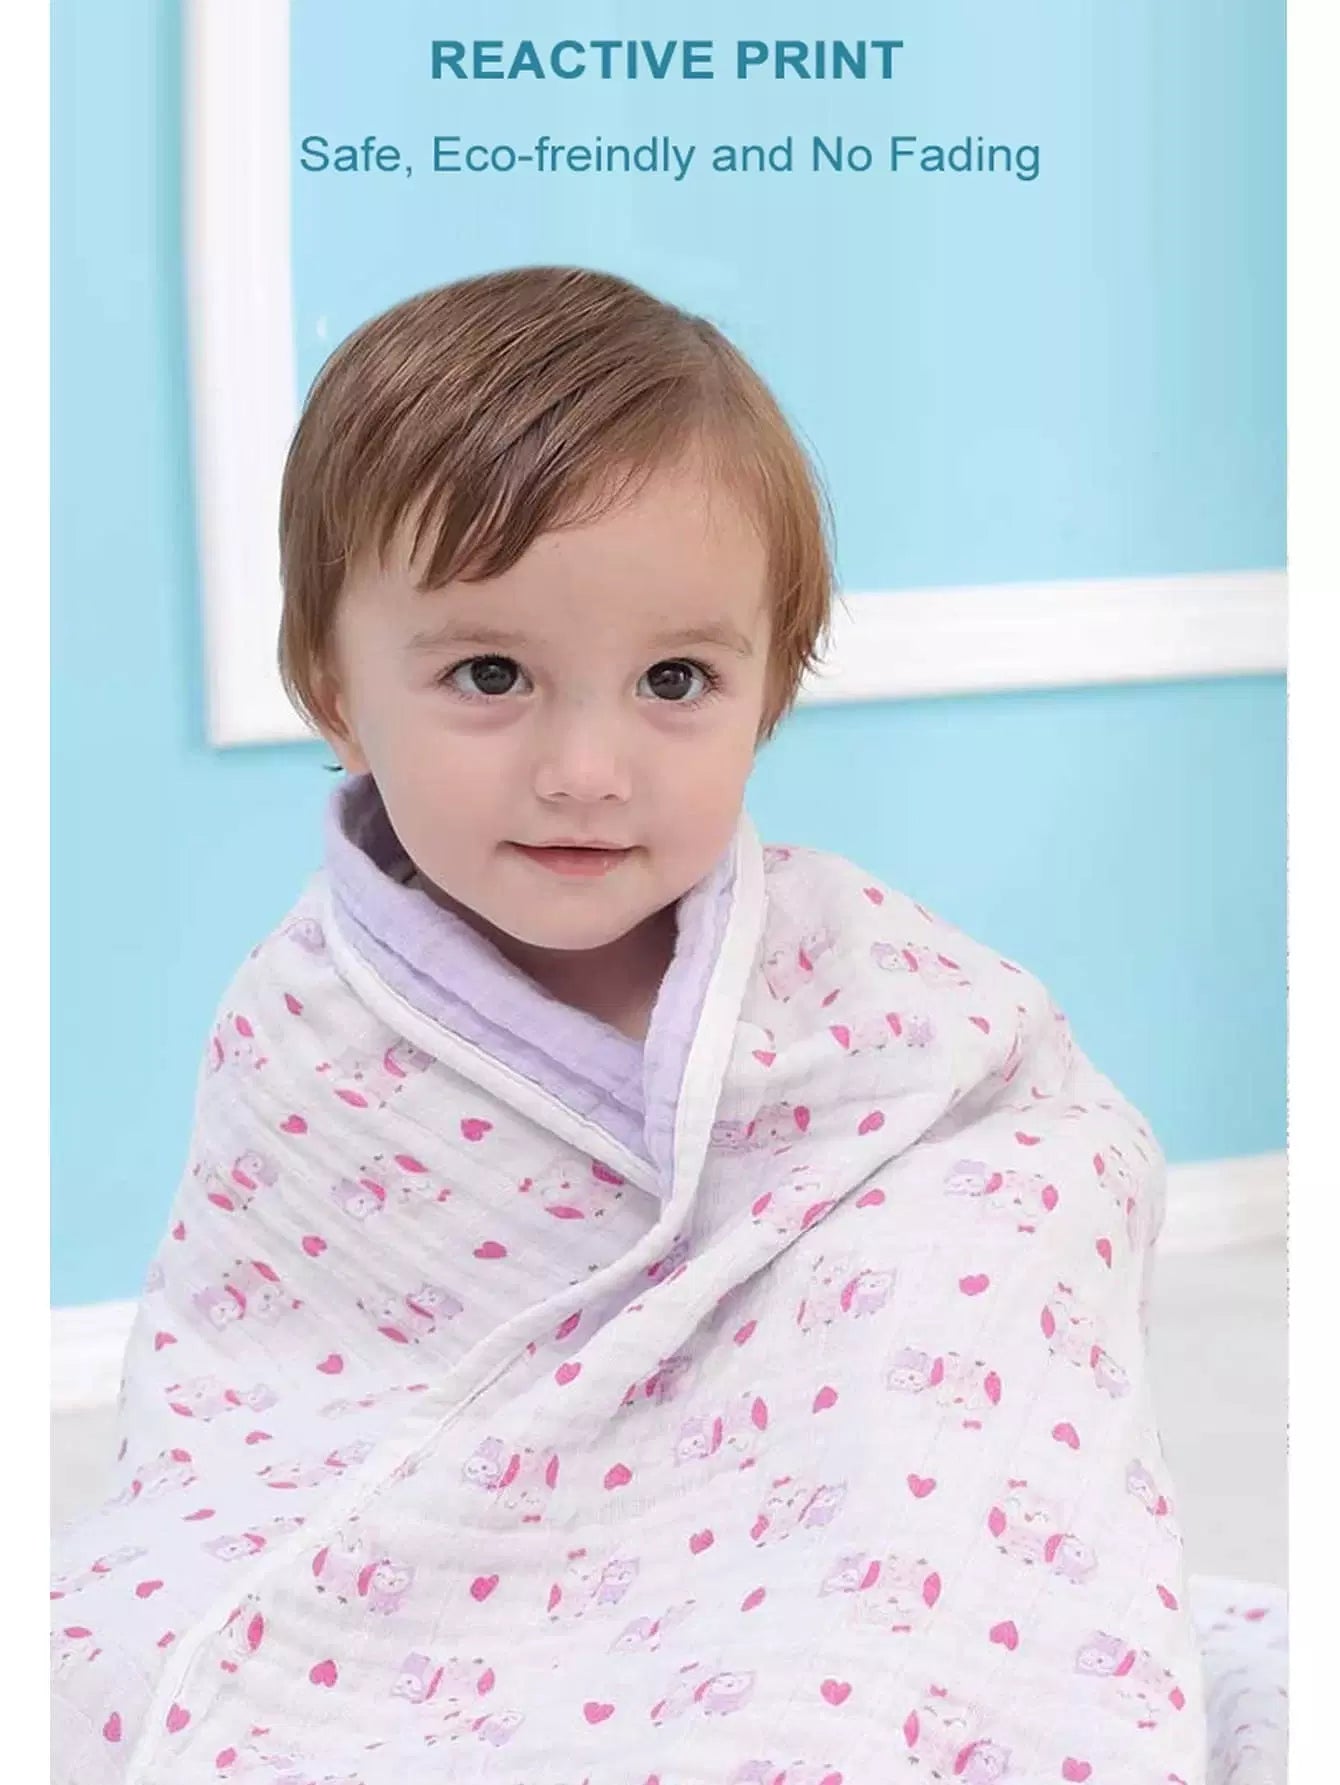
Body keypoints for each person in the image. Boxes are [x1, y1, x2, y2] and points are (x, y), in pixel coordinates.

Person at [51, 265, 1207, 1784]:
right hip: (450, 1556)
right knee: (108, 1656)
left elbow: (1047, 1142)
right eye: (490, 674)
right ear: (334, 686)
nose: (588, 768)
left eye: (675, 679)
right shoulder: (307, 1021)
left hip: (793, 1528)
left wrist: (944, 1255)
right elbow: (259, 1371)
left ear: (767, 690)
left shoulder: (841, 956)